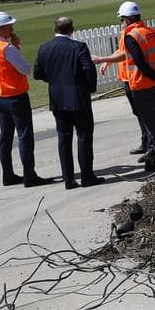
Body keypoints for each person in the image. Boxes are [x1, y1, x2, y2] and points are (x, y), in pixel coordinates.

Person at [93, 2, 155, 171]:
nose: (121, 23)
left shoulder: (131, 36)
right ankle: (154, 152)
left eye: (121, 20)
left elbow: (139, 62)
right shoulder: (153, 32)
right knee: (152, 120)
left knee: (151, 123)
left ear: (126, 19)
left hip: (142, 85)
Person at [0, 12, 47, 187]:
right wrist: (16, 47)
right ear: (0, 28)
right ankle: (29, 176)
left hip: (0, 96)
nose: (12, 29)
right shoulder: (6, 48)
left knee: (6, 137)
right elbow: (25, 69)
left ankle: (8, 175)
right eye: (9, 26)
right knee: (25, 136)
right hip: (16, 96)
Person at [33, 17, 102, 189]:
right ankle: (87, 176)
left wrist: (54, 80)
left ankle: (68, 179)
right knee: (84, 136)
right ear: (72, 30)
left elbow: (37, 73)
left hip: (57, 98)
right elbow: (88, 69)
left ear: (54, 29)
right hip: (78, 97)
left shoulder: (44, 48)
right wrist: (90, 88)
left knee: (64, 138)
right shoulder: (78, 47)